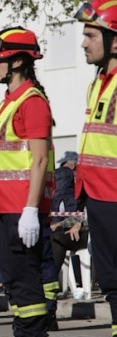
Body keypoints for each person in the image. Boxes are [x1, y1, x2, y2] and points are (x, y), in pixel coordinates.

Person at [0, 26, 55, 336]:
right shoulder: (8, 102)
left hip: (20, 210)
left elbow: (39, 159)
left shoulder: (32, 102)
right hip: (3, 209)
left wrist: (30, 209)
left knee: (25, 283)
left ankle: (32, 331)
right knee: (14, 281)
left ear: (18, 62)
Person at [75, 2, 117, 334]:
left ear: (115, 41)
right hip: (98, 195)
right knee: (111, 278)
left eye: (91, 35)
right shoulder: (98, 82)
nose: (83, 43)